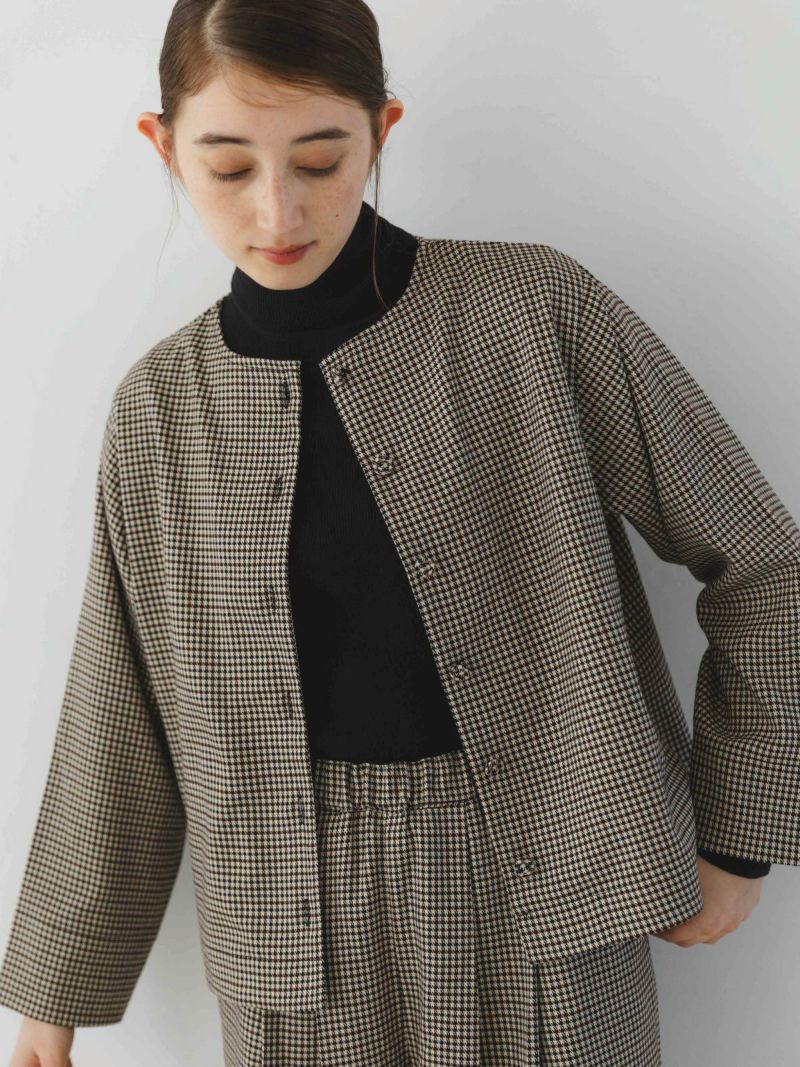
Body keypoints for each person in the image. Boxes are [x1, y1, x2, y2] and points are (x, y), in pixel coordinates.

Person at [2, 1, 796, 1065]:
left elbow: (764, 567)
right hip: (286, 926)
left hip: (552, 885)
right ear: (163, 146)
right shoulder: (160, 411)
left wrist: (738, 833)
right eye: (228, 166)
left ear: (382, 129)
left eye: (321, 159)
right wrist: (51, 998)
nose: (277, 208)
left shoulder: (530, 311)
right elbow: (120, 710)